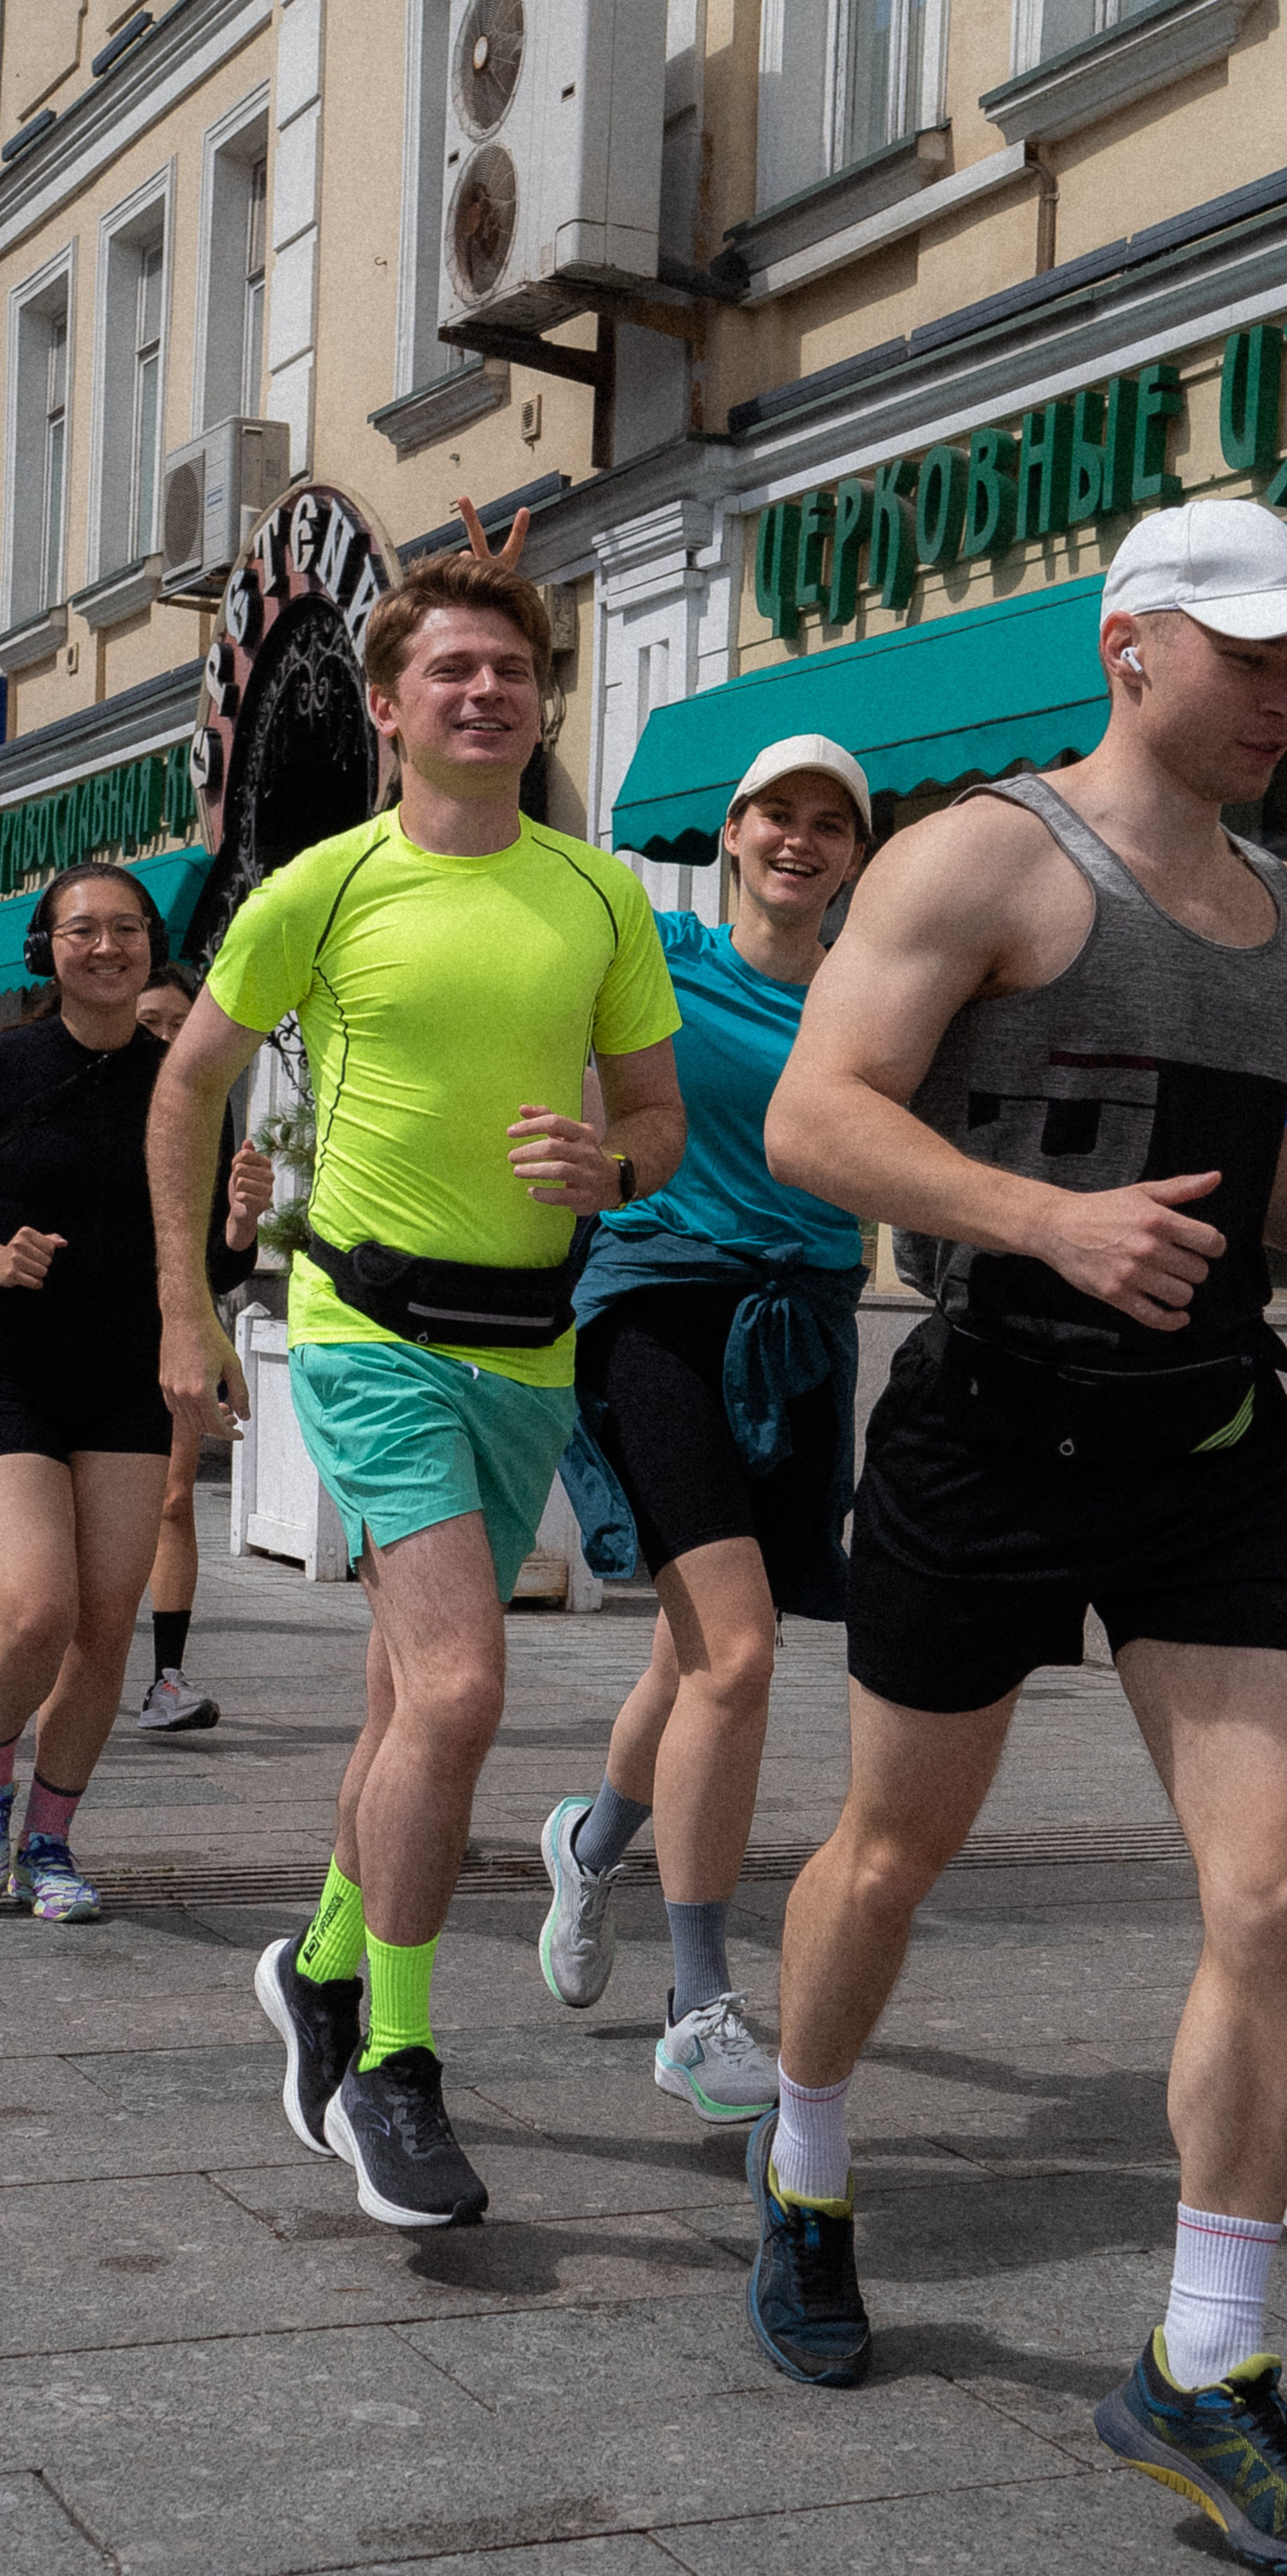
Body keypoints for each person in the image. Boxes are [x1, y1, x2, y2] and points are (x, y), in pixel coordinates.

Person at [751, 497, 1287, 2564]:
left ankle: (1205, 2355)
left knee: (1264, 1895)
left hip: (1213, 1440)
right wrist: (1046, 1217)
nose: (1269, 690)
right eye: (1237, 649)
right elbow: (819, 1119)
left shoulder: (1273, 909)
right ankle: (800, 2174)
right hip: (985, 1420)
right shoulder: (982, 851)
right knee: (891, 1852)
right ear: (1124, 641)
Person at [147, 532, 685, 2228]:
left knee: (403, 1710)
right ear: (389, 707)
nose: (485, 691)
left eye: (511, 674)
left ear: (540, 710)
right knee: (459, 1697)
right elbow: (187, 1095)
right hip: (368, 1334)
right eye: (451, 671)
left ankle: (315, 1965)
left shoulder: (596, 893)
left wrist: (616, 1167)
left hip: (528, 1347)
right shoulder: (326, 886)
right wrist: (187, 1306)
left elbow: (658, 1120)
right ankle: (395, 2057)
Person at [538, 736, 869, 2126]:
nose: (799, 840)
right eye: (774, 817)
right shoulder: (660, 952)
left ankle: (592, 1840)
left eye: (829, 825)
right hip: (659, 1306)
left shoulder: (879, 999)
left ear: (858, 855)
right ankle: (696, 2001)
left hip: (802, 1327)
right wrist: (526, 700)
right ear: (730, 836)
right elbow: (541, 863)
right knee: (736, 1648)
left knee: (699, 1648)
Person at [0, 863, 258, 1922]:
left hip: (129, 1381)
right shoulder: (1, 1068)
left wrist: (236, 1231)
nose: (107, 946)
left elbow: (206, 1274)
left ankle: (50, 1840)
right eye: (82, 930)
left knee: (104, 1630)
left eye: (127, 929)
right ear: (46, 950)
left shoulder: (189, 1083)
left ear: (154, 941)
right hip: (11, 1370)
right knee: (37, 1609)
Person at [134, 962, 274, 1731]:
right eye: (149, 1023)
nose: (163, 1040)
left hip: (176, 1325)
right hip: (80, 1329)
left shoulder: (207, 1110)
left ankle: (166, 1680)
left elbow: (221, 1265)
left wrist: (242, 1221)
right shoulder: (83, 1090)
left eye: (177, 1027)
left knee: (173, 1497)